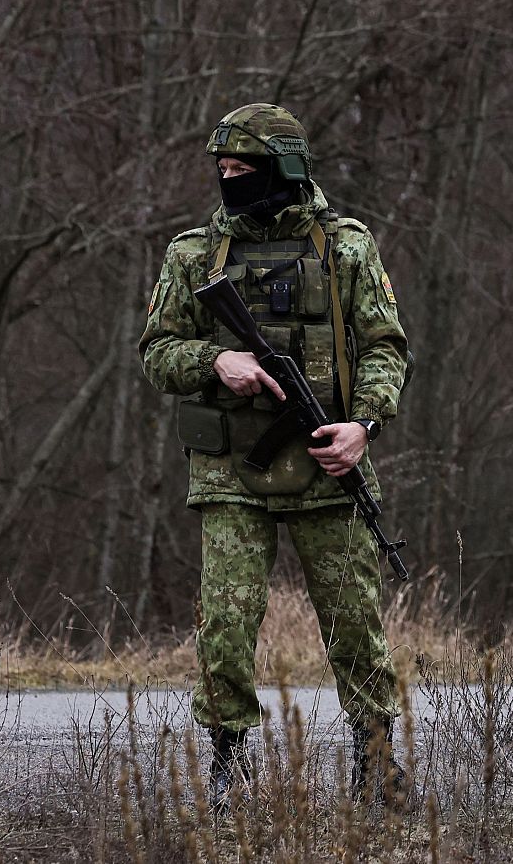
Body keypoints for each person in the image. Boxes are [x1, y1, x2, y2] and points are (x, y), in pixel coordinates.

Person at [139, 103, 411, 807]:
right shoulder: (194, 254)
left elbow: (386, 346)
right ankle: (228, 764)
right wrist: (215, 359)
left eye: (243, 169)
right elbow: (157, 352)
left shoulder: (347, 247)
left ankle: (375, 761)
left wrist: (365, 427)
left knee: (356, 624)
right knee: (225, 627)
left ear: (283, 170)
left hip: (330, 462)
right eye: (221, 168)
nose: (228, 180)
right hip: (234, 470)